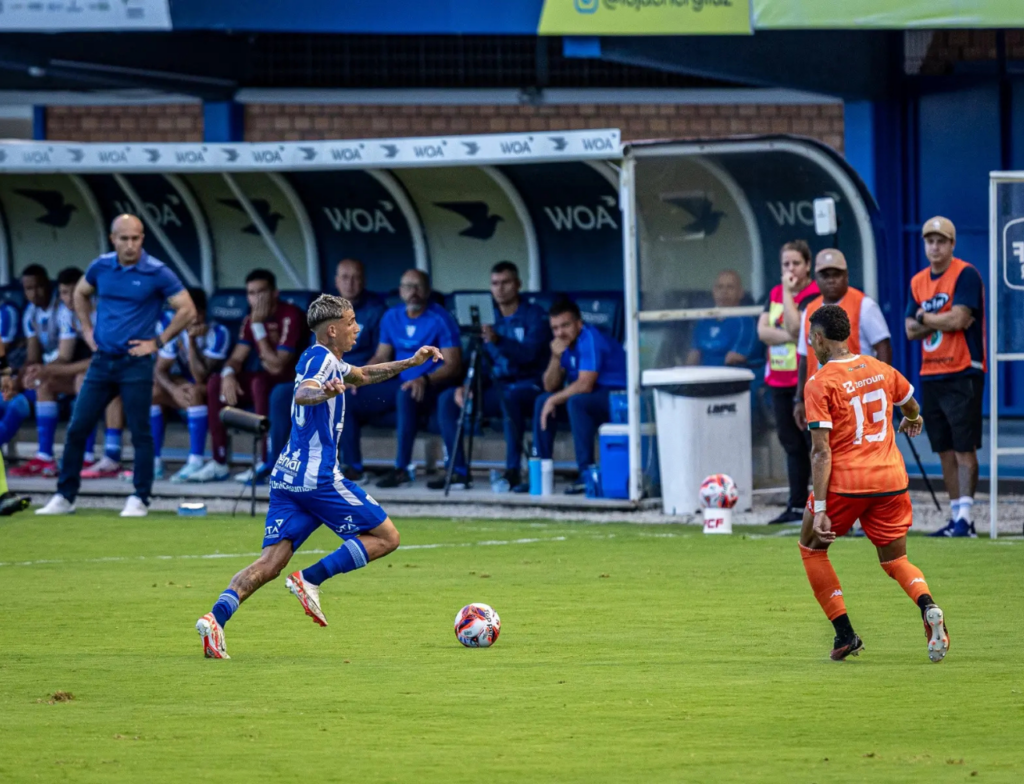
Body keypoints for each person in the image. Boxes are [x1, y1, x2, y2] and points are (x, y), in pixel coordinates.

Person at [195, 294, 443, 659]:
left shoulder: (323, 358)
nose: (356, 328)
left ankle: (215, 619)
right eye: (351, 322)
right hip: (317, 480)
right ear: (332, 329)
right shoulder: (322, 361)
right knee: (387, 537)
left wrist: (411, 361)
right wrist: (319, 393)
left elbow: (363, 374)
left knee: (270, 563)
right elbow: (303, 392)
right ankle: (310, 578)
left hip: (286, 478)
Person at [799, 304, 949, 663]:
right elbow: (911, 405)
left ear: (819, 339)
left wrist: (820, 509)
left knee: (811, 548)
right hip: (891, 479)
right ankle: (928, 606)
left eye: (811, 339)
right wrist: (912, 419)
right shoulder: (879, 369)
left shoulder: (819, 383)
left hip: (847, 483)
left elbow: (821, 452)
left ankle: (845, 634)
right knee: (896, 560)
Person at [35, 214, 196, 518]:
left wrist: (158, 342)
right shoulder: (101, 266)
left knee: (140, 431)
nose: (130, 244)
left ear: (142, 238)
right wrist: (85, 329)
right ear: (113, 239)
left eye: (136, 238)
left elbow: (187, 309)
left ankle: (140, 497)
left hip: (136, 362)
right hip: (102, 360)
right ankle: (64, 496)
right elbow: (81, 292)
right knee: (77, 427)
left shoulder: (157, 271)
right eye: (124, 238)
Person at [428, 261, 550, 491]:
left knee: (510, 397)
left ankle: (513, 470)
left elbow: (530, 355)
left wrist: (498, 340)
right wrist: (468, 385)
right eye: (495, 283)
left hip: (529, 385)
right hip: (496, 385)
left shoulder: (534, 315)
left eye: (506, 282)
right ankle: (458, 472)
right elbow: (481, 359)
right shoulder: (487, 316)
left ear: (518, 284)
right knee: (448, 399)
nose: (500, 288)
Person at [340, 269, 462, 489]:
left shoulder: (441, 318)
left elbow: (453, 364)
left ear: (427, 290)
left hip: (431, 385)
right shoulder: (392, 316)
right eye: (407, 287)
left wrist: (424, 379)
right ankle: (354, 468)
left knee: (405, 393)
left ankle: (402, 470)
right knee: (347, 397)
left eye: (418, 286)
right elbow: (382, 356)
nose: (412, 292)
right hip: (399, 383)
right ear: (400, 291)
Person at [268, 258, 386, 483]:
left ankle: (353, 467)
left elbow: (381, 354)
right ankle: (277, 463)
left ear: (364, 280)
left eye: (356, 277)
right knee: (281, 394)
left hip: (355, 376)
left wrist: (356, 376)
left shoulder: (376, 310)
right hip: (324, 373)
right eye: (344, 277)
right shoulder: (324, 309)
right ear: (336, 281)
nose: (350, 283)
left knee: (343, 396)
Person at [905, 217, 987, 538]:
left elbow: (961, 318)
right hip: (932, 371)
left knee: (965, 446)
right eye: (930, 241)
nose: (935, 247)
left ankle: (966, 517)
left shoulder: (965, 273)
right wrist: (936, 319)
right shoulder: (918, 281)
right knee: (943, 448)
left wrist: (926, 317)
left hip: (963, 368)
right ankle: (956, 518)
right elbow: (910, 329)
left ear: (952, 244)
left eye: (941, 241)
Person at [8, 266, 124, 477]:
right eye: (63, 293)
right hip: (101, 371)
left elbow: (100, 360)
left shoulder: (102, 312)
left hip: (127, 369)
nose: (68, 298)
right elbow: (64, 356)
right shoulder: (66, 313)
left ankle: (87, 457)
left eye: (73, 292)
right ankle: (45, 457)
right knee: (45, 383)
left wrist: (46, 369)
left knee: (83, 379)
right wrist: (40, 372)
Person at [192, 269, 306, 483]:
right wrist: (228, 374)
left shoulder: (290, 315)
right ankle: (219, 462)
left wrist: (258, 327)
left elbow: (278, 366)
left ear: (275, 293)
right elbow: (236, 358)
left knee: (260, 382)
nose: (256, 298)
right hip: (265, 379)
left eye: (261, 292)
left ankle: (265, 460)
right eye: (251, 293)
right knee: (216, 382)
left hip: (291, 382)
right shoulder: (249, 319)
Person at [533, 299, 627, 495]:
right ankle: (543, 472)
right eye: (555, 328)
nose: (560, 333)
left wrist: (554, 399)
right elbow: (549, 385)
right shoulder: (563, 345)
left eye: (565, 325)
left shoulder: (589, 338)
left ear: (579, 323)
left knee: (576, 402)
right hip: (591, 397)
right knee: (542, 400)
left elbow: (585, 384)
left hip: (617, 398)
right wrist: (556, 357)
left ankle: (585, 473)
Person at [757, 241, 821, 523]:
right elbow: (762, 332)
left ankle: (822, 504)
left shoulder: (814, 295)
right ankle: (796, 505)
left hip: (806, 380)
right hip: (779, 380)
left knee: (813, 442)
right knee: (790, 443)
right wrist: (788, 336)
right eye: (785, 264)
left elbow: (797, 328)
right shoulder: (772, 294)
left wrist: (787, 294)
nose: (790, 270)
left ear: (807, 265)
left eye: (795, 263)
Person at [794, 249, 892, 432]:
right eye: (825, 275)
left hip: (856, 398)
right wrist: (799, 399)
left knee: (856, 456)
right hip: (820, 400)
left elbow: (884, 347)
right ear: (816, 278)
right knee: (822, 455)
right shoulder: (809, 310)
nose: (831, 280)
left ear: (846, 276)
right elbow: (805, 358)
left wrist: (879, 389)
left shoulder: (864, 305)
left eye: (836, 274)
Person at [146, 287, 232, 483]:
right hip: (184, 388)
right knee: (153, 392)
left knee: (195, 390)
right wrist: (173, 390)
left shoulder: (219, 332)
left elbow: (201, 377)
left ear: (199, 313)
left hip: (213, 391)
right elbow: (159, 370)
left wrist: (192, 341)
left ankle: (196, 460)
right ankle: (154, 461)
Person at [686, 270, 758, 367]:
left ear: (740, 293)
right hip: (701, 377)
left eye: (730, 287)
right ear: (713, 291)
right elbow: (693, 356)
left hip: (728, 377)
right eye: (719, 287)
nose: (724, 292)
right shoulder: (704, 320)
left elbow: (733, 359)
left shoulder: (745, 321)